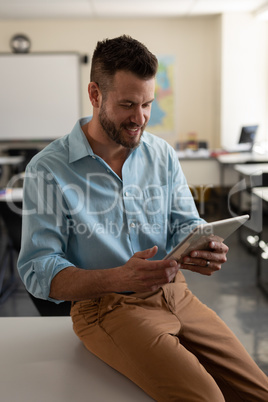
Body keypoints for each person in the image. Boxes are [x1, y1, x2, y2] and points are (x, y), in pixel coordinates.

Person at [18, 35, 268, 401]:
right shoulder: (48, 169)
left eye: (148, 104)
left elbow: (186, 222)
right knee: (208, 398)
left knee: (259, 391)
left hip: (175, 293)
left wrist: (201, 246)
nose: (140, 118)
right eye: (128, 105)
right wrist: (119, 277)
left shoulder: (161, 154)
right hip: (107, 307)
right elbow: (38, 272)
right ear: (94, 94)